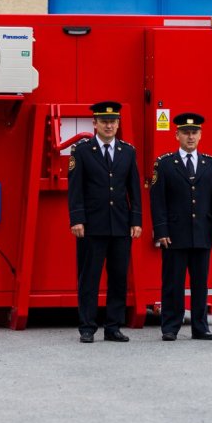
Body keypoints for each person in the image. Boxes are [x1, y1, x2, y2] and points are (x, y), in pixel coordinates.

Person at [68, 101, 142, 343]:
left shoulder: (128, 152)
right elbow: (75, 189)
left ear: (118, 124)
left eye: (113, 121)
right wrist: (77, 219)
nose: (109, 125)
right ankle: (87, 327)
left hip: (120, 225)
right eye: (104, 121)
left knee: (118, 277)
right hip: (91, 225)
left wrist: (136, 221)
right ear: (95, 123)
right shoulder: (81, 151)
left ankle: (113, 326)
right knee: (89, 277)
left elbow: (134, 190)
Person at [150, 112, 212, 341]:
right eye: (185, 133)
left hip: (201, 233)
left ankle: (200, 327)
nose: (190, 137)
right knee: (173, 282)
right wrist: (161, 231)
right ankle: (170, 327)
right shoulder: (164, 164)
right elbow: (158, 201)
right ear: (177, 135)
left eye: (194, 132)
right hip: (174, 234)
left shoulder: (211, 165)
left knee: (200, 284)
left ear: (201, 135)